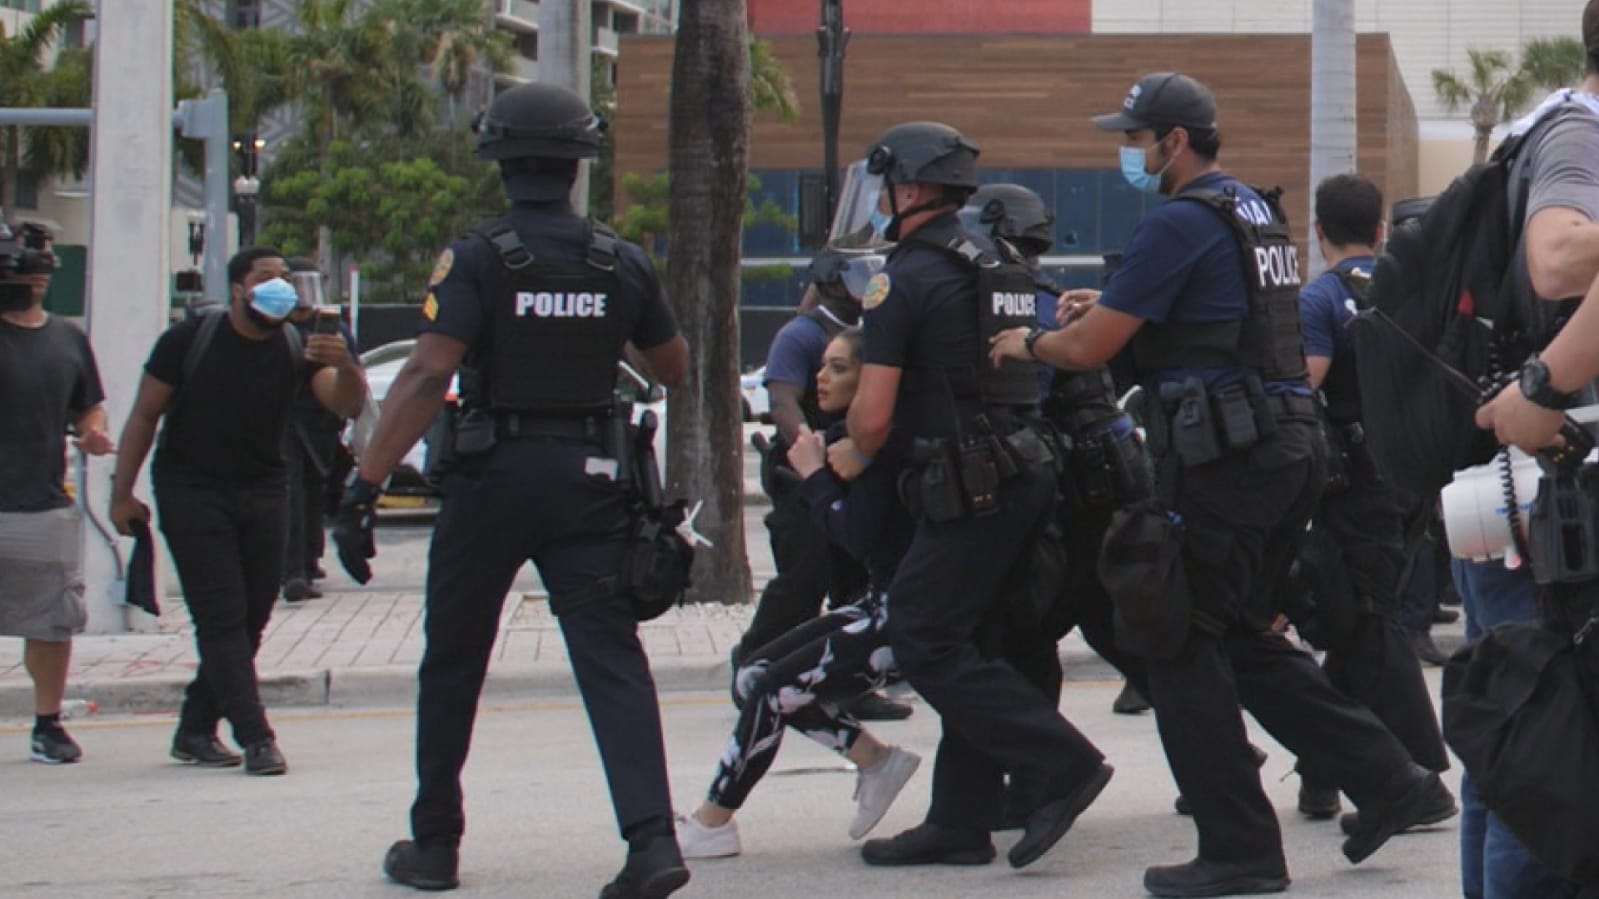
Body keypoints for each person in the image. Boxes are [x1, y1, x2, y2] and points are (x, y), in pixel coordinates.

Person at [991, 73, 1449, 897]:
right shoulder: (1248, 209)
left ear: (1173, 141)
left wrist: (1027, 345)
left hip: (1228, 462)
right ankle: (1393, 779)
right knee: (1237, 634)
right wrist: (1117, 302)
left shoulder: (1179, 218)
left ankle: (1239, 845)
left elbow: (1090, 347)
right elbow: (1211, 313)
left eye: (1135, 139)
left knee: (1171, 636)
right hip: (1281, 452)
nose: (1128, 153)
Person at [331, 82, 692, 897]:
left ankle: (435, 845)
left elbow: (428, 370)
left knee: (454, 660)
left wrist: (365, 485)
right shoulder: (619, 258)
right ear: (577, 164)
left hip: (492, 477)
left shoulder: (479, 256)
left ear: (497, 160)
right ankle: (651, 842)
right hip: (589, 480)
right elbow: (671, 366)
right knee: (611, 659)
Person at [842, 121, 1114, 872]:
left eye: (886, 185)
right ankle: (958, 819)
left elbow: (869, 418)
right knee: (978, 638)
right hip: (1021, 468)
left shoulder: (901, 277)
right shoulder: (993, 260)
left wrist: (846, 448)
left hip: (965, 481)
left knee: (923, 635)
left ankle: (1060, 762)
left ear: (911, 188)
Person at [109, 247, 367, 776]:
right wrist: (121, 492)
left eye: (284, 278)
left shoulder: (296, 345)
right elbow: (143, 415)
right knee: (221, 614)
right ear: (236, 289)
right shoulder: (188, 340)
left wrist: (346, 366)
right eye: (265, 278)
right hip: (191, 489)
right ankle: (257, 737)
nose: (279, 286)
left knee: (251, 617)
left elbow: (345, 405)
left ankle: (195, 727)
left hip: (265, 488)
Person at [677, 329, 922, 859]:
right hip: (872, 605)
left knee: (771, 689)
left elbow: (855, 538)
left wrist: (815, 478)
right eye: (823, 366)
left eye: (837, 368)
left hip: (903, 616)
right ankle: (875, 761)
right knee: (751, 678)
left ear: (870, 381)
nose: (821, 377)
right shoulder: (843, 440)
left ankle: (712, 822)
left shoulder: (880, 445)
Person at [1461, 5, 1599, 895]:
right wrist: (1545, 389)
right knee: (1549, 749)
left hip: (1535, 483)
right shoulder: (1576, 138)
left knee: (1514, 740)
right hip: (1558, 492)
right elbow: (1555, 261)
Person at [1292, 173, 1455, 828]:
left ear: (1318, 230)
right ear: (1380, 230)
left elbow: (1305, 385)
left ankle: (1414, 770)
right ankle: (1322, 772)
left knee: (1364, 618)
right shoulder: (1409, 291)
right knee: (1360, 619)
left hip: (1350, 479)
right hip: (1411, 472)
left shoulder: (1322, 299)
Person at [961, 184, 1154, 722]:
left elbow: (1026, 400)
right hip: (1104, 476)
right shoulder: (1047, 293)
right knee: (1097, 614)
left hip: (1084, 484)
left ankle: (1044, 769)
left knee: (1034, 625)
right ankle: (1215, 745)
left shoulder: (1021, 302)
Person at [734, 253, 908, 721]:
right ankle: (754, 666)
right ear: (830, 283)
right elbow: (782, 400)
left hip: (851, 469)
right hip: (805, 473)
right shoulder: (803, 335)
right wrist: (811, 453)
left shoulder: (872, 333)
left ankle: (849, 684)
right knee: (804, 576)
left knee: (854, 577)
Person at [0, 218, 113, 764]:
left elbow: (88, 402)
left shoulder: (67, 338)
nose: (36, 282)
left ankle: (47, 723)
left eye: (44, 273)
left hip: (40, 504)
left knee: (51, 620)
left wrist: (92, 431)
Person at [281, 259, 358, 603]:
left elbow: (351, 374)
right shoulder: (278, 329)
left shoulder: (331, 331)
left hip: (323, 425)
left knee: (315, 495)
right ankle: (293, 571)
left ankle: (310, 561)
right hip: (286, 425)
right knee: (292, 496)